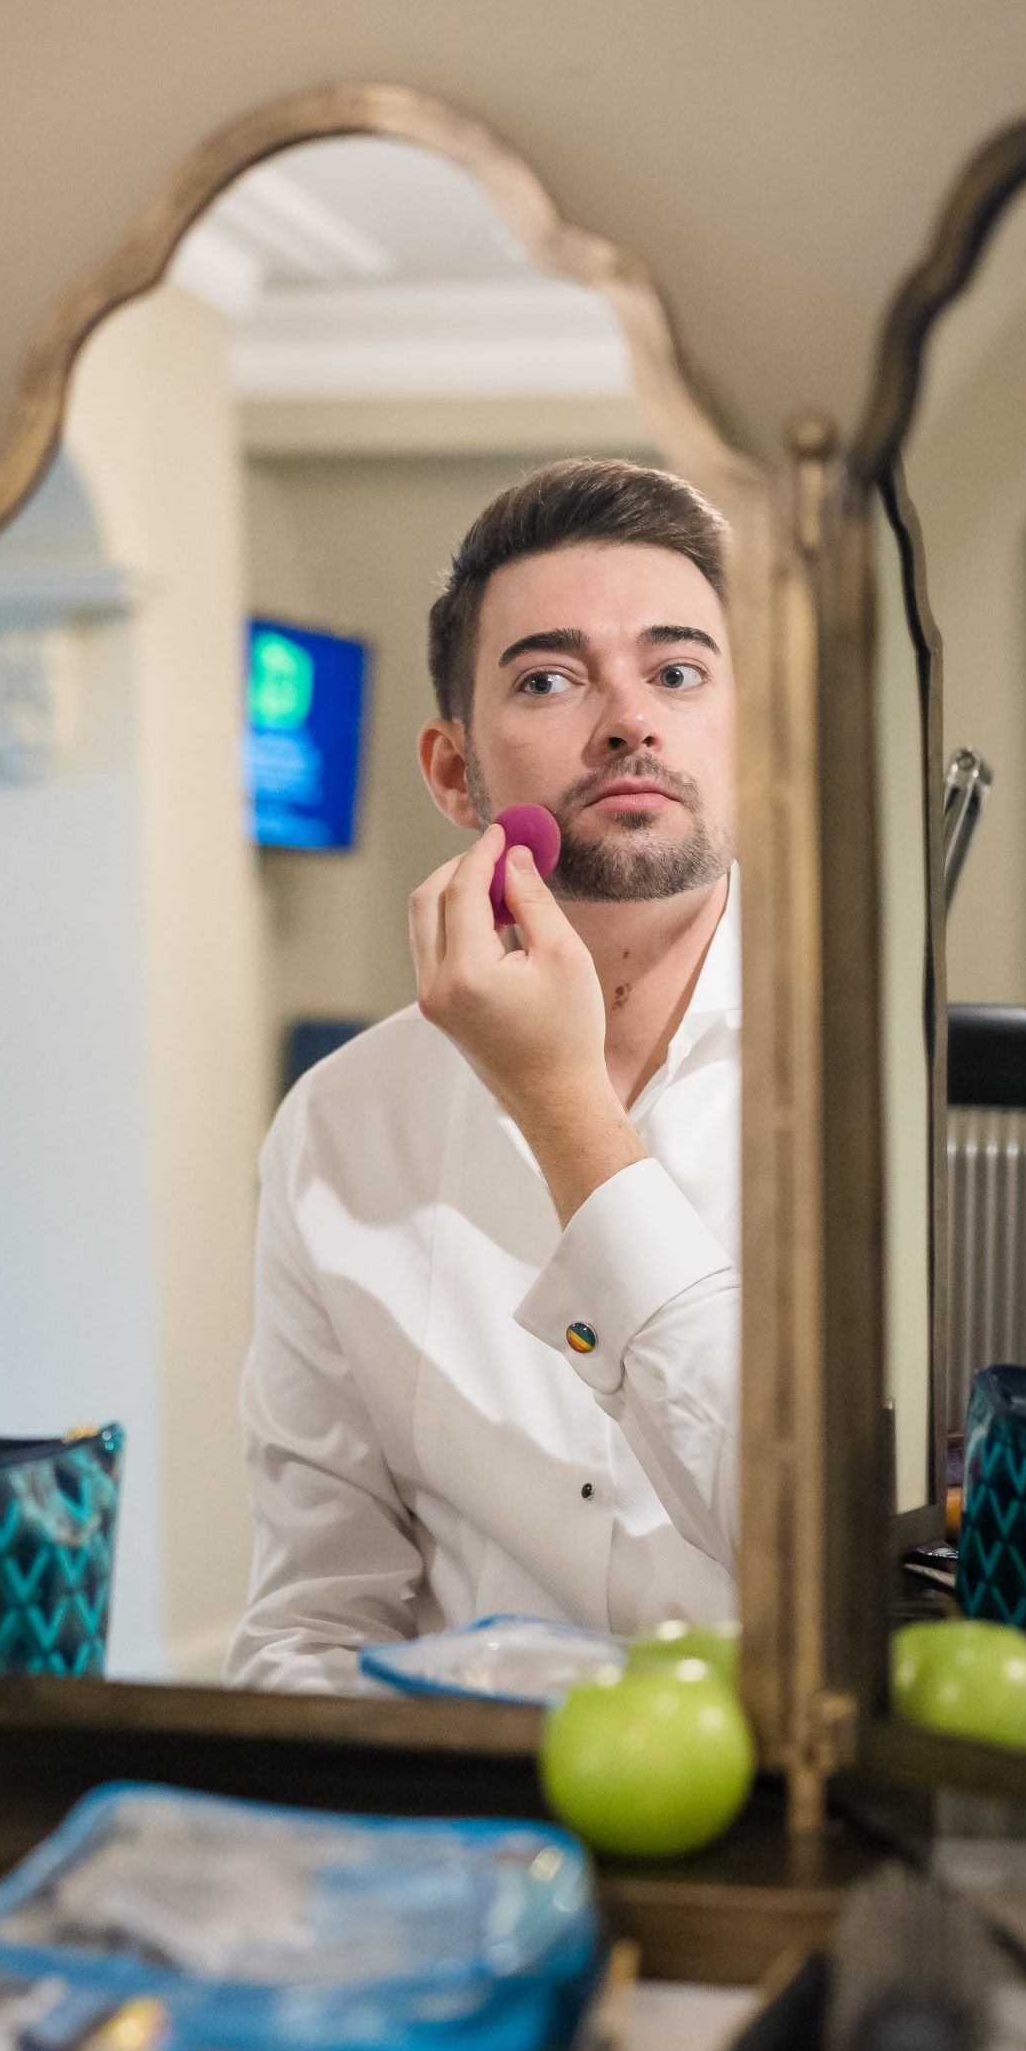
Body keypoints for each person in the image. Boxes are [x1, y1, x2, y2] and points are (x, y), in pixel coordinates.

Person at [229, 459, 741, 1694]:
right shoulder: (339, 1127)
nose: (628, 721)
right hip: (453, 1790)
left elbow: (818, 1542)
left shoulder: (879, 1089)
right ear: (455, 773)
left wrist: (564, 1114)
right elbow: (310, 1627)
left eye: (676, 673)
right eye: (550, 680)